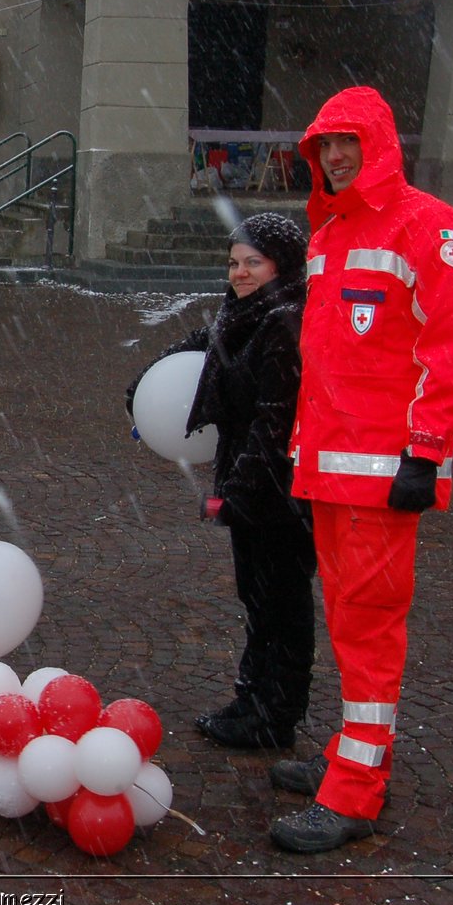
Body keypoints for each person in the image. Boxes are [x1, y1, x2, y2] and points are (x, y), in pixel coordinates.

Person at [268, 86, 453, 853]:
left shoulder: (431, 229)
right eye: (324, 146)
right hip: (331, 473)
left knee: (368, 633)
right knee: (348, 626)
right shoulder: (328, 234)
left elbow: (449, 349)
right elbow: (326, 365)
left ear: (379, 145)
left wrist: (425, 452)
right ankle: (348, 758)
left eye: (346, 144)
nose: (333, 157)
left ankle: (356, 790)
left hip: (381, 476)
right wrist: (302, 462)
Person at [129, 212, 316, 750]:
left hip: (281, 491)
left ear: (281, 266)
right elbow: (203, 344)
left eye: (252, 262)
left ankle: (275, 716)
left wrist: (240, 491)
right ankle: (251, 699)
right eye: (234, 262)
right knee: (257, 597)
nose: (239, 273)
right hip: (249, 480)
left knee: (282, 601)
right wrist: (147, 378)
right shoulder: (245, 314)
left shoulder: (285, 323)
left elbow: (274, 421)